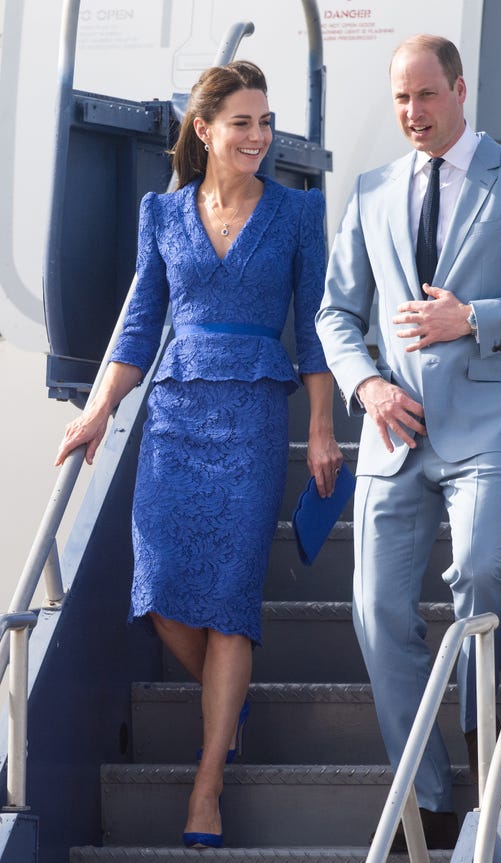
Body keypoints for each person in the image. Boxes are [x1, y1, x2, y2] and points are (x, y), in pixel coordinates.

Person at [316, 34, 501, 851]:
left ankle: (483, 734)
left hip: (484, 423)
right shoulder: (370, 192)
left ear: (461, 91)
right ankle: (429, 791)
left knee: (478, 570)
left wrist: (474, 318)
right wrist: (366, 386)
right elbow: (335, 314)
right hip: (392, 431)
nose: (412, 114)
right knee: (376, 609)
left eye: (426, 97)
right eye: (401, 99)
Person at [55, 60, 342, 849]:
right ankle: (229, 700)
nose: (258, 136)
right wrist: (97, 412)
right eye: (242, 122)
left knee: (231, 607)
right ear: (204, 129)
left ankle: (206, 784)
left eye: (265, 121)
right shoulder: (162, 213)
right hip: (174, 415)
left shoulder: (295, 214)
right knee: (160, 596)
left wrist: (321, 425)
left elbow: (314, 331)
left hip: (251, 416)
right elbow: (139, 328)